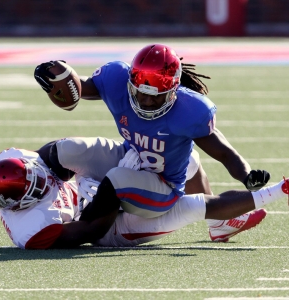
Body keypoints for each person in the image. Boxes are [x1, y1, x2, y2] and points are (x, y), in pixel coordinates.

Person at [34, 44, 270, 242]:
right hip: (131, 156)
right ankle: (24, 170)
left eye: (155, 95)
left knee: (117, 178)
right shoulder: (116, 78)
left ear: (173, 91)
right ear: (130, 83)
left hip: (162, 186)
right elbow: (80, 88)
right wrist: (59, 76)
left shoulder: (190, 110)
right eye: (140, 93)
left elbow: (224, 153)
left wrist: (246, 175)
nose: (146, 101)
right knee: (68, 149)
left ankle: (76, 227)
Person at [0, 137, 286, 249]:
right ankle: (280, 191)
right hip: (104, 225)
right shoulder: (32, 230)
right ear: (22, 203)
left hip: (88, 190)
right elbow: (91, 231)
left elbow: (56, 159)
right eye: (38, 186)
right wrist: (111, 188)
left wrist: (116, 162)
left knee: (187, 159)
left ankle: (219, 227)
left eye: (36, 173)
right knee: (191, 207)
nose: (45, 178)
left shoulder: (12, 159)